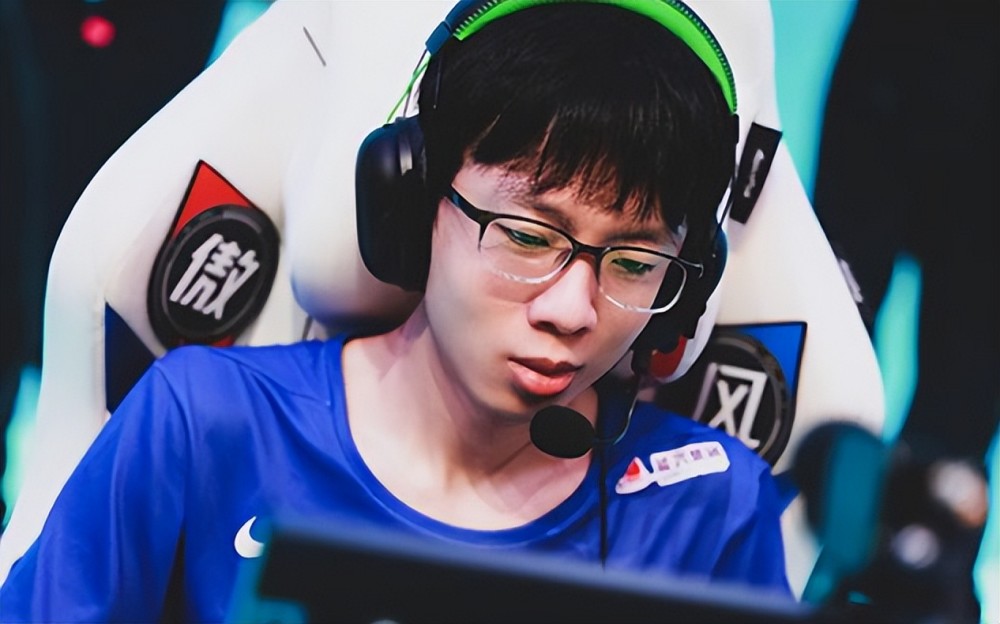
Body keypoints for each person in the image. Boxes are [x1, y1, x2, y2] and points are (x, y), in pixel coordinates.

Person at [0, 1, 792, 620]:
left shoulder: (708, 510)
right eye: (526, 237)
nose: (572, 310)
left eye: (634, 263)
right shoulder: (207, 423)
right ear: (412, 204)